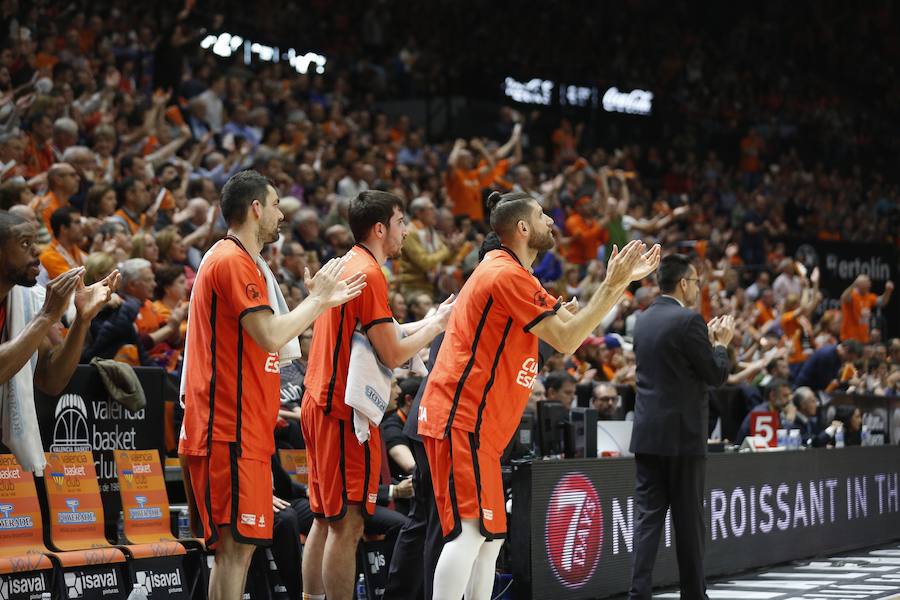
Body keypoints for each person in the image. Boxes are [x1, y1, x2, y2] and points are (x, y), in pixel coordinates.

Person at [417, 190, 659, 600]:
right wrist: (613, 282)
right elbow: (565, 339)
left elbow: (576, 327)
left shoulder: (520, 276)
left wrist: (617, 287)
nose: (551, 221)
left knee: (490, 538)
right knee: (469, 533)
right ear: (524, 227)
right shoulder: (504, 274)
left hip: (482, 426)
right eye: (543, 215)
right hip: (463, 416)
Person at [178, 170, 366, 600]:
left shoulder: (244, 262)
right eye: (277, 204)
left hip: (243, 427)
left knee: (238, 551)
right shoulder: (231, 260)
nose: (282, 214)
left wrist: (319, 303)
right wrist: (317, 300)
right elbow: (270, 334)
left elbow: (271, 335)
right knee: (231, 551)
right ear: (256, 208)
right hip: (225, 425)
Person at [300, 190, 453, 600]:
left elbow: (384, 331)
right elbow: (392, 350)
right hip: (342, 411)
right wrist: (438, 326)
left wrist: (430, 319)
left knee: (323, 518)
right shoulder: (370, 274)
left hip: (319, 401)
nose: (407, 231)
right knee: (347, 524)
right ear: (381, 228)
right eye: (402, 223)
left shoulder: (348, 264)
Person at [628, 253, 734, 600]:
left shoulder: (641, 320)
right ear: (684, 283)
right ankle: (693, 595)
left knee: (647, 522)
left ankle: (638, 594)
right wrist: (721, 345)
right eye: (697, 282)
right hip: (683, 438)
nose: (698, 289)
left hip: (647, 435)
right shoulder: (689, 321)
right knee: (688, 524)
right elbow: (715, 375)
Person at [0, 210, 119, 469]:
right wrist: (45, 318)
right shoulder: (38, 309)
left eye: (34, 243)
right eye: (24, 244)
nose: (36, 253)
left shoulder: (25, 300)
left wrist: (82, 320)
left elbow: (51, 380)